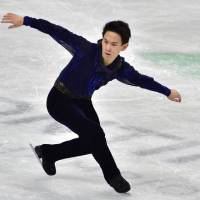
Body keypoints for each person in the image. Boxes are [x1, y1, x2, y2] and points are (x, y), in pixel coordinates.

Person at [1, 13, 182, 193]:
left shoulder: (120, 68)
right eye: (105, 41)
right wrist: (26, 20)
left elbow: (141, 80)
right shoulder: (85, 49)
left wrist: (167, 92)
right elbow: (56, 30)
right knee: (95, 134)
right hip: (59, 99)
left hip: (82, 101)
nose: (108, 47)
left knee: (95, 140)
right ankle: (113, 176)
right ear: (102, 40)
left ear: (124, 46)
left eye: (114, 44)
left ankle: (49, 153)